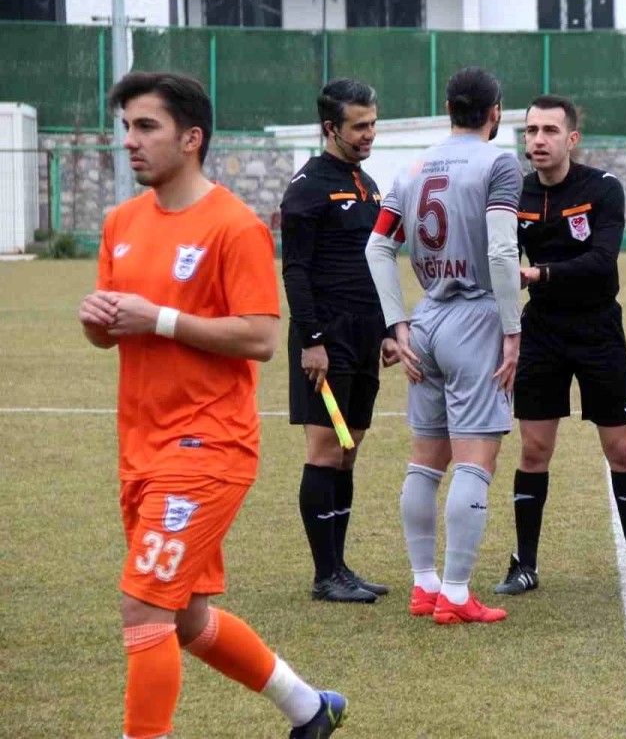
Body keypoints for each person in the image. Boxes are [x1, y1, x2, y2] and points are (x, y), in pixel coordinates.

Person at [79, 71, 344, 738]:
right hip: (140, 447)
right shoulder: (121, 223)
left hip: (207, 448)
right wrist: (98, 319)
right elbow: (114, 331)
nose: (130, 142)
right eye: (127, 128)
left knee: (143, 607)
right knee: (187, 616)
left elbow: (259, 335)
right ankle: (310, 708)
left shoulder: (235, 226)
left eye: (147, 127)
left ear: (191, 137)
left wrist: (160, 318)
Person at [490, 95, 626, 596]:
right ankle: (523, 563)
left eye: (549, 130)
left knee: (620, 448)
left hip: (598, 331)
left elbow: (601, 260)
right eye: (530, 131)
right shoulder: (516, 194)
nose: (538, 140)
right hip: (542, 334)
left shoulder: (602, 188)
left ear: (572, 138)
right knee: (533, 449)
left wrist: (538, 273)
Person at [365, 67, 522, 625]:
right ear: (494, 111)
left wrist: (397, 322)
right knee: (477, 460)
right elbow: (503, 254)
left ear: (449, 109)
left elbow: (377, 246)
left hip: (427, 318)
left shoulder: (412, 167)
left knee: (426, 459)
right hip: (476, 316)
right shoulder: (499, 163)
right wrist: (512, 329)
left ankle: (424, 584)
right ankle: (455, 594)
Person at [281, 77, 389, 604]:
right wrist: (311, 340)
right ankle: (325, 574)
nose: (369, 133)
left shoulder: (366, 183)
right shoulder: (307, 187)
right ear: (331, 128)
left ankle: (342, 566)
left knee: (349, 449)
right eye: (359, 126)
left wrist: (389, 328)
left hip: (366, 334)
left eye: (372, 123)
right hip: (326, 336)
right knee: (325, 451)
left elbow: (376, 262)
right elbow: (296, 272)